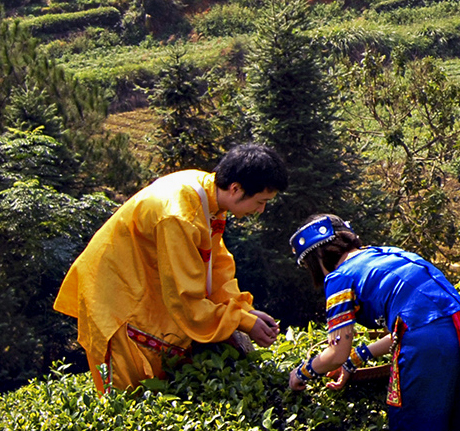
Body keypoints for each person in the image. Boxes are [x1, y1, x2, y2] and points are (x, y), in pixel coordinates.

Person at [54, 143, 287, 393]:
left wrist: (244, 310)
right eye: (261, 201)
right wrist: (242, 321)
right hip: (116, 299)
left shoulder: (208, 196)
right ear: (235, 188)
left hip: (143, 287)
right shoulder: (179, 215)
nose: (261, 210)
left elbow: (216, 266)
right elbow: (185, 298)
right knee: (132, 392)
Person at [286, 214, 460, 431]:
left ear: (317, 257)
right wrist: (355, 360)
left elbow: (335, 353)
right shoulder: (386, 253)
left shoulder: (339, 277)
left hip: (427, 340)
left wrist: (302, 373)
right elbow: (413, 323)